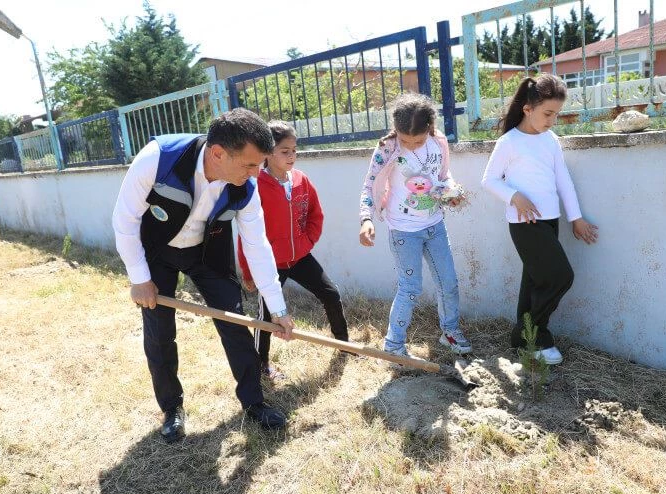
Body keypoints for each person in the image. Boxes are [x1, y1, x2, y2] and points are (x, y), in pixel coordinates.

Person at [112, 108, 296, 441]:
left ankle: (254, 403)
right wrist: (140, 278)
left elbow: (258, 246)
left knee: (236, 323)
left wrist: (278, 309)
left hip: (208, 251)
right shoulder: (159, 158)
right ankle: (172, 408)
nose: (257, 173)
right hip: (158, 252)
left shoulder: (247, 186)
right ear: (217, 153)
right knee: (159, 332)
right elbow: (124, 221)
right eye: (250, 164)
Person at [481, 74, 598, 365]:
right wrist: (514, 196)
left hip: (550, 220)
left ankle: (523, 340)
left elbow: (563, 181)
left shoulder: (551, 140)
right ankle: (534, 336)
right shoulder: (509, 142)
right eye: (548, 113)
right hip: (524, 223)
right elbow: (489, 180)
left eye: (556, 114)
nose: (552, 120)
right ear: (528, 109)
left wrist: (576, 218)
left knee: (534, 282)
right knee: (561, 276)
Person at [358, 92, 472, 357]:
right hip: (403, 231)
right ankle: (394, 345)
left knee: (449, 282)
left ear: (430, 127)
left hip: (435, 225)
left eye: (416, 141)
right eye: (404, 139)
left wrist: (451, 192)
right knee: (410, 289)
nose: (409, 145)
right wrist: (366, 218)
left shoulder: (439, 141)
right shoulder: (387, 147)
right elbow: (369, 184)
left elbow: (443, 175)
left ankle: (450, 331)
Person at [238, 121, 349, 380]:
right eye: (284, 151)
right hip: (270, 263)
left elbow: (315, 215)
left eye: (294, 150)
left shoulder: (301, 180)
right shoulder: (256, 186)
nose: (291, 156)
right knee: (266, 317)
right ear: (268, 153)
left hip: (299, 257)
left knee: (331, 294)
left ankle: (344, 344)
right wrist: (248, 270)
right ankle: (262, 365)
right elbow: (246, 236)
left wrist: (305, 243)